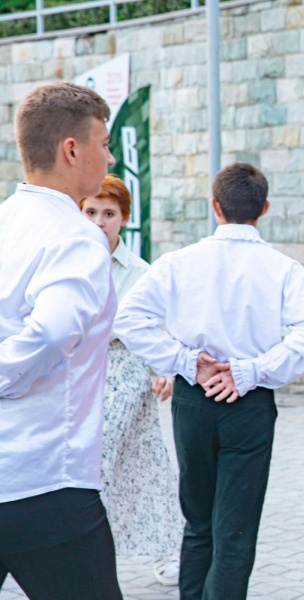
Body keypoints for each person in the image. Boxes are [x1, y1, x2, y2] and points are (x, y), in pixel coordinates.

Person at [114, 163, 304, 600]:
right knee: (235, 530)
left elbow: (128, 318)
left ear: (214, 206)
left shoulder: (178, 263)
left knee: (198, 522)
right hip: (249, 403)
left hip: (193, 399)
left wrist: (185, 362)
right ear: (264, 208)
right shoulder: (283, 268)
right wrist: (253, 370)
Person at [0, 83, 122, 598]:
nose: (110, 157)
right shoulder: (75, 236)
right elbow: (51, 333)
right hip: (44, 480)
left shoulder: (6, 220)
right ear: (72, 149)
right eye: (104, 143)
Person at [80, 174, 183, 586]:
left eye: (108, 213)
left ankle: (165, 548)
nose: (98, 222)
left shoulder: (141, 272)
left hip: (124, 372)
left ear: (123, 218)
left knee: (137, 462)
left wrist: (166, 371)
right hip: (75, 373)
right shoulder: (62, 262)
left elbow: (161, 329)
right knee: (94, 466)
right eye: (90, 212)